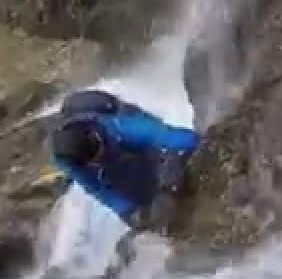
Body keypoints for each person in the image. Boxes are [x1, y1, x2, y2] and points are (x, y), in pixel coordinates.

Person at [49, 89, 200, 229]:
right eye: (96, 159)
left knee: (158, 159)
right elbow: (98, 188)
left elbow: (172, 137)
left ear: (96, 136)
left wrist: (168, 187)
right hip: (105, 153)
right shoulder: (68, 161)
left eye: (101, 150)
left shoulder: (120, 126)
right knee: (135, 193)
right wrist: (130, 213)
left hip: (122, 122)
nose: (101, 156)